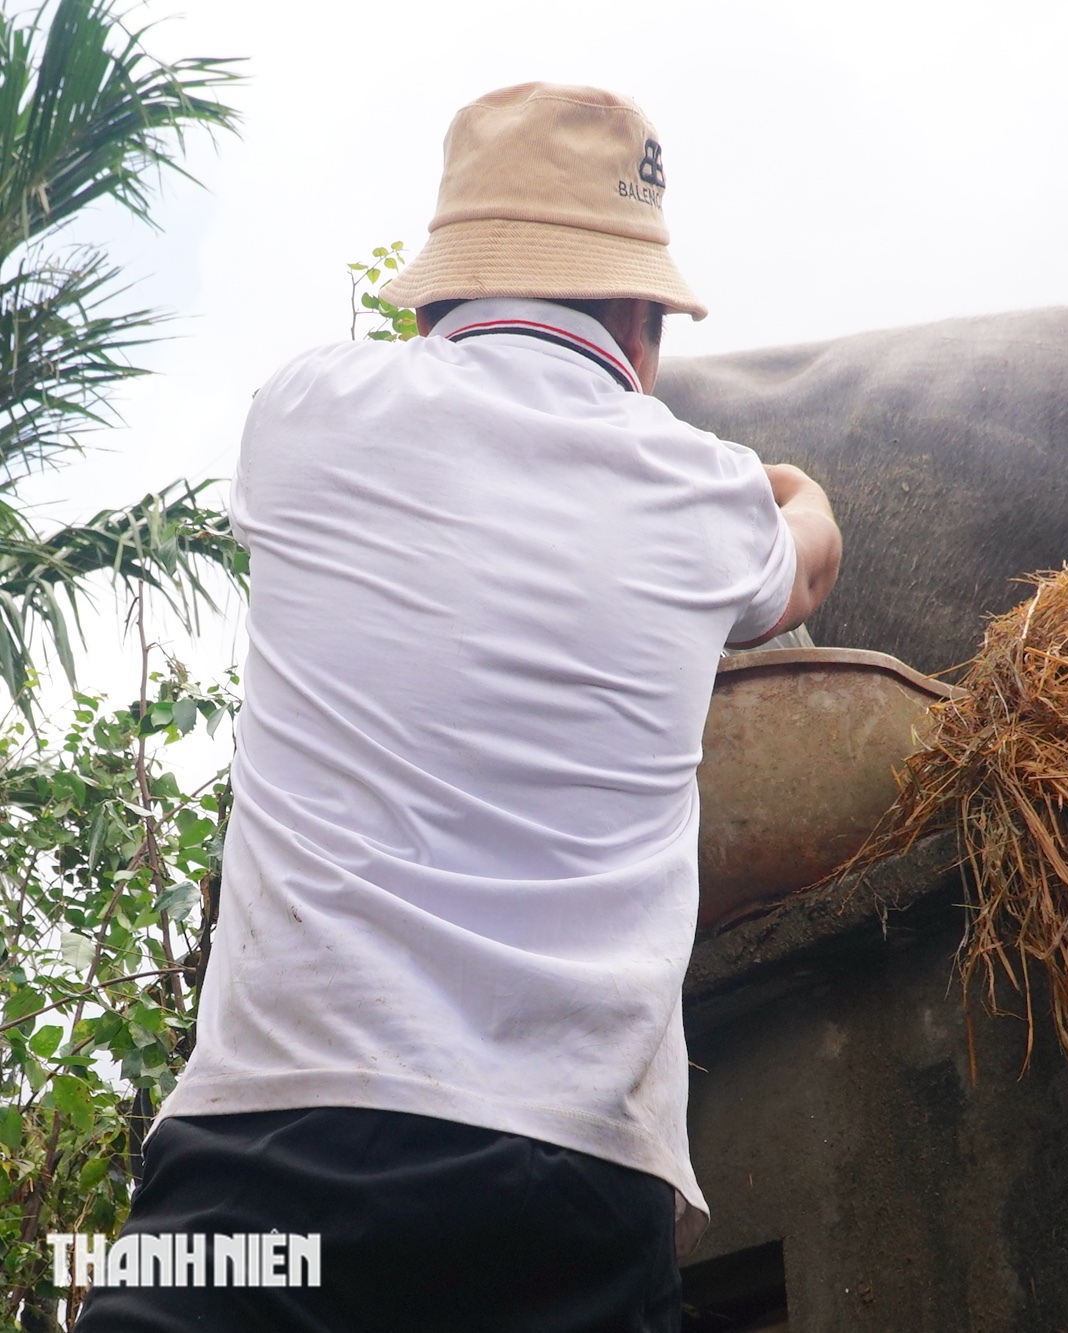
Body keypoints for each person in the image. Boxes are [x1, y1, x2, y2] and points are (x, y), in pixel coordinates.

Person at [76, 82, 841, 1332]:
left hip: (266, 1170)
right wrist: (785, 488)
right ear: (641, 320)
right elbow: (805, 563)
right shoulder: (700, 495)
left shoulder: (303, 414)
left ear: (434, 297)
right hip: (571, 1198)